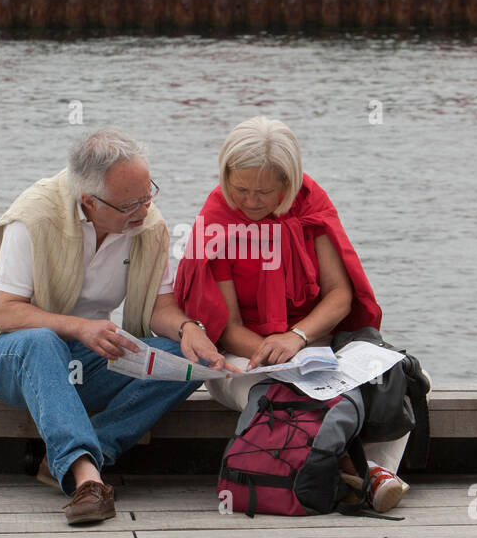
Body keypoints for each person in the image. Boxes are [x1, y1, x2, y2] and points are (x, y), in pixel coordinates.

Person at [0, 130, 228, 524]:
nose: (144, 209)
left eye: (148, 194)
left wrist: (189, 328)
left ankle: (75, 457)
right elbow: (8, 314)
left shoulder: (147, 226)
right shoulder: (34, 217)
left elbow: (160, 308)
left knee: (185, 358)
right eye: (130, 204)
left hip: (85, 356)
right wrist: (80, 327)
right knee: (42, 341)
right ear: (89, 201)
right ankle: (87, 480)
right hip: (13, 353)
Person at [174, 116, 410, 512]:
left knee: (399, 377)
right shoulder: (218, 221)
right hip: (245, 358)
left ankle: (370, 472)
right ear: (225, 174)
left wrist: (297, 340)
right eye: (241, 188)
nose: (249, 201)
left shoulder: (310, 208)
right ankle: (364, 474)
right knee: (290, 392)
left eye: (264, 192)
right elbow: (228, 328)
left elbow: (340, 296)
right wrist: (283, 357)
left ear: (289, 182)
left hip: (311, 347)